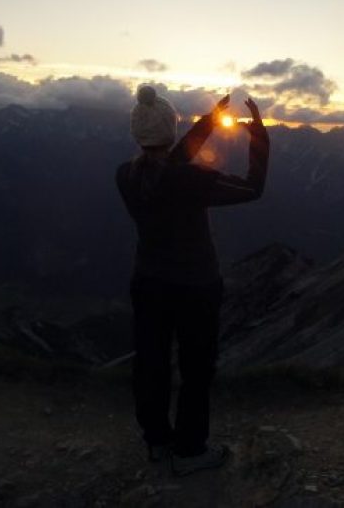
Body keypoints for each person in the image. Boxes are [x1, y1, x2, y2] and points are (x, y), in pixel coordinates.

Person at [115, 85, 270, 476]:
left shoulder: (127, 176)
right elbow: (253, 189)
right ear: (170, 127)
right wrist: (258, 135)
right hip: (196, 287)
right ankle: (189, 451)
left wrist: (207, 124)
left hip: (148, 282)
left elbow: (169, 163)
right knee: (196, 369)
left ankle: (157, 441)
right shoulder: (190, 180)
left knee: (151, 362)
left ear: (137, 134)